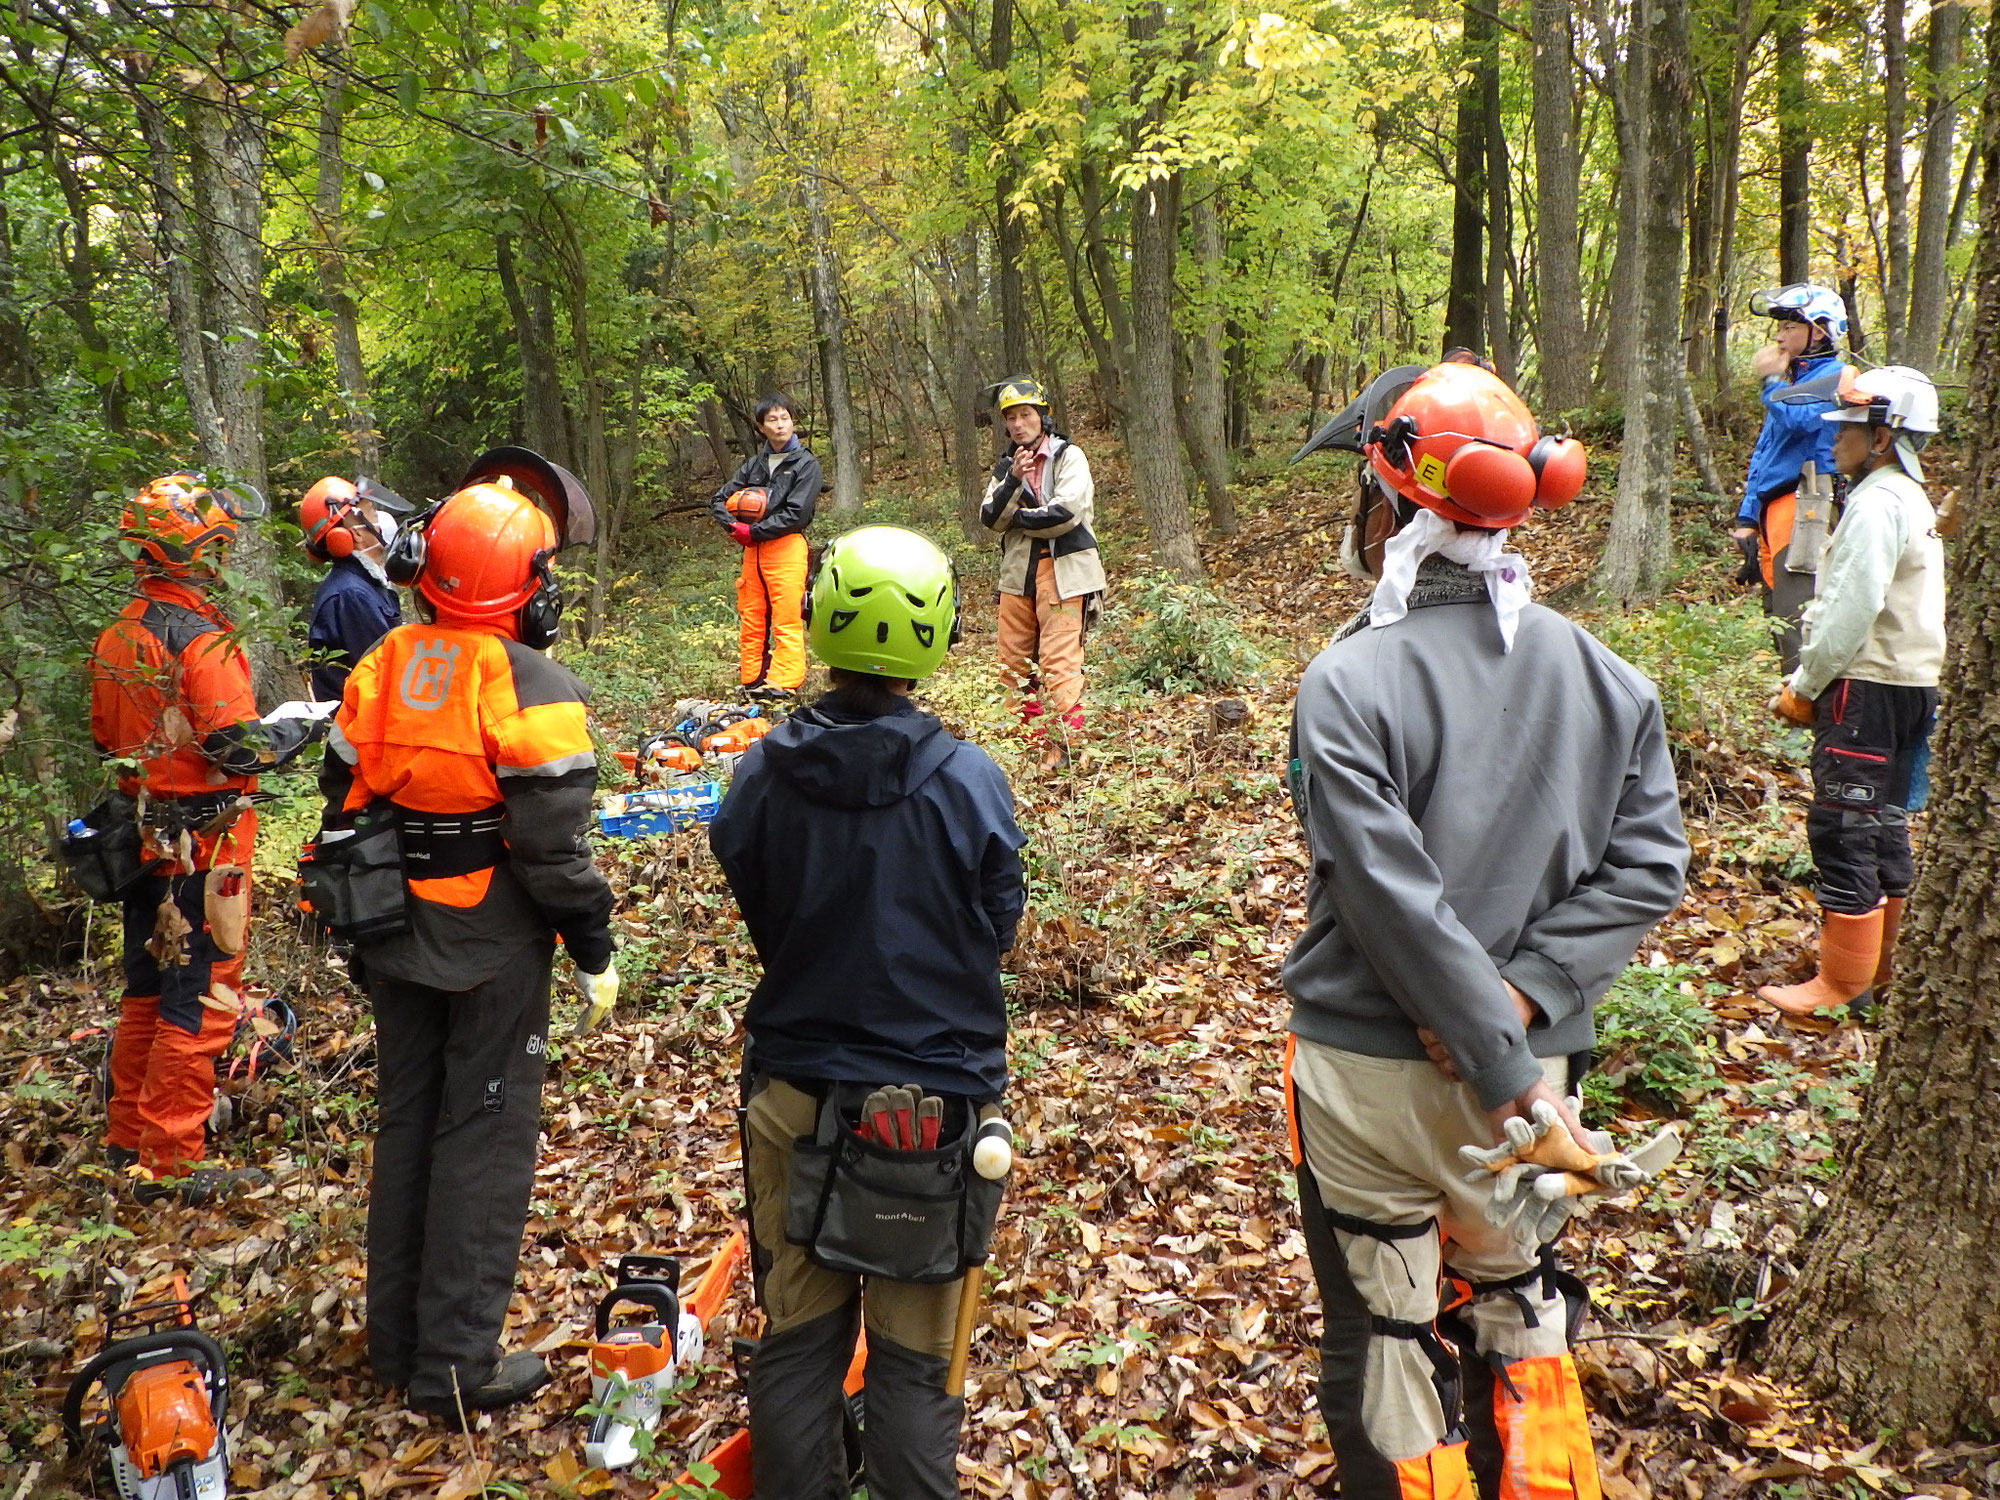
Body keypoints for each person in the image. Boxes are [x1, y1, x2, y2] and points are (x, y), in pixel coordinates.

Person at [1284, 360, 1689, 1499]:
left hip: (1375, 1074)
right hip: (1540, 1085)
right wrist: (1522, 999)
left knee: (1383, 1332)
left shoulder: (1347, 682)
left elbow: (1385, 897)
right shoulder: (1608, 679)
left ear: (1390, 503)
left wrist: (1486, 1045)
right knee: (1517, 1319)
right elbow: (1649, 862)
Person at [709, 525, 1025, 1500]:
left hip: (795, 1086)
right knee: (914, 1360)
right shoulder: (970, 785)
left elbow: (747, 879)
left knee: (800, 1342)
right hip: (931, 1109)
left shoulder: (763, 773)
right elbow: (998, 927)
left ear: (821, 620)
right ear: (936, 636)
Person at [319, 451, 616, 1421]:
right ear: (516, 591)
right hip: (487, 948)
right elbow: (549, 849)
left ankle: (397, 1341)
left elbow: (341, 793)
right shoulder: (530, 685)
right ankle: (453, 1365)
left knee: (408, 1125)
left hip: (391, 933)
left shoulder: (384, 662)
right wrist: (593, 946)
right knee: (481, 1138)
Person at [90, 473, 323, 1204]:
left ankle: (128, 1134)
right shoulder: (203, 640)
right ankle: (172, 1158)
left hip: (144, 832)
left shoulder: (117, 633)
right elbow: (236, 747)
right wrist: (303, 726)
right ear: (201, 550)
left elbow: (106, 738)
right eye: (220, 542)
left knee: (147, 986)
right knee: (202, 990)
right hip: (209, 842)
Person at [1759, 366, 1944, 1016]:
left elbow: (1851, 604)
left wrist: (1805, 682)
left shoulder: (1874, 503)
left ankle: (1843, 985)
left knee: (1844, 828)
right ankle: (1882, 972)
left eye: (1848, 428)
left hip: (1863, 689)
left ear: (1885, 436)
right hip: (1909, 685)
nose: (1834, 439)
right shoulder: (1913, 500)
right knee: (1884, 827)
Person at [979, 376, 1105, 771]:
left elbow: (1066, 513)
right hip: (1018, 575)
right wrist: (1015, 480)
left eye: (1026, 414)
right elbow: (990, 517)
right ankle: (1029, 749)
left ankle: (1069, 747)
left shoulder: (1070, 457)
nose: (1019, 424)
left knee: (1060, 662)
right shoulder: (1006, 467)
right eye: (1011, 417)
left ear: (1042, 416)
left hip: (1065, 573)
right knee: (1012, 664)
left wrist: (1017, 516)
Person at [1731, 284, 1852, 668]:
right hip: (1774, 507)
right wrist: (1748, 518)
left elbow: (1800, 420)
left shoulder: (1837, 375)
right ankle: (1792, 705)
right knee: (1778, 612)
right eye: (1779, 328)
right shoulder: (1792, 380)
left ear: (1819, 331)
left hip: (1808, 501)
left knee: (1798, 612)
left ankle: (1808, 712)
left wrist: (1771, 382)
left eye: (1789, 327)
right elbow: (1766, 454)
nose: (1780, 336)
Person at [713, 395, 822, 704]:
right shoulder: (754, 465)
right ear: (761, 427)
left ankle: (783, 684)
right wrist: (734, 527)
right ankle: (753, 680)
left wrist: (754, 529)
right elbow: (719, 500)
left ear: (793, 421)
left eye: (784, 418)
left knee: (786, 617)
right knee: (752, 615)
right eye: (772, 420)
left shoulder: (806, 464)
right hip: (753, 552)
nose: (780, 424)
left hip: (786, 548)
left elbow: (796, 514)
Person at [300, 475, 409, 702]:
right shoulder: (352, 596)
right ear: (357, 533)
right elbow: (387, 673)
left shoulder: (363, 585)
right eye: (372, 514)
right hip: (358, 729)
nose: (381, 521)